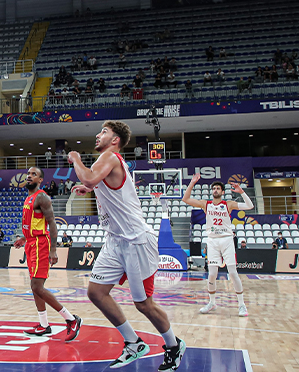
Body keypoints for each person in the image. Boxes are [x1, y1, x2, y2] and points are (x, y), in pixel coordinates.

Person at [69, 120, 185, 370]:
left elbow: (88, 176)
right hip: (114, 240)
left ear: (115, 141)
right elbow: (96, 182)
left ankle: (174, 345)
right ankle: (133, 343)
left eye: (104, 132)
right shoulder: (108, 162)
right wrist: (89, 188)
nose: (98, 135)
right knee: (96, 292)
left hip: (135, 241)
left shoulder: (109, 157)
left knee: (143, 304)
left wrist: (75, 158)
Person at [13, 167, 82, 339]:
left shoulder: (42, 197)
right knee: (35, 287)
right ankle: (44, 325)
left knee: (37, 286)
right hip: (31, 243)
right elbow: (36, 224)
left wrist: (53, 249)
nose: (29, 176)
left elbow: (52, 223)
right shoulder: (29, 198)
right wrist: (24, 237)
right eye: (28, 174)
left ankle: (71, 319)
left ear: (41, 180)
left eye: (33, 174)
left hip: (40, 245)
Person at [182, 174, 253, 317]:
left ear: (222, 191)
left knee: (232, 273)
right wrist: (192, 182)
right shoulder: (205, 204)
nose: (215, 190)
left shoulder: (228, 204)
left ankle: (241, 305)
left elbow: (250, 206)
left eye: (218, 188)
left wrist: (242, 192)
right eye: (214, 188)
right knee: (212, 274)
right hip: (212, 240)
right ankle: (212, 302)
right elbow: (185, 199)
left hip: (227, 239)